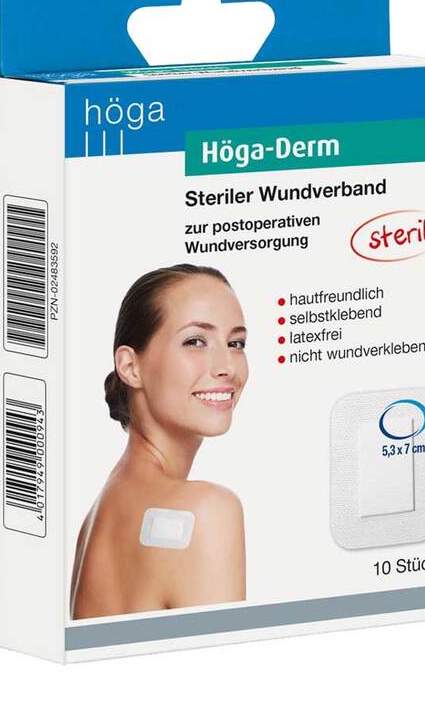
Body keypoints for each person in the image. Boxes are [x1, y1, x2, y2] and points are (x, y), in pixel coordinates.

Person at [71, 264, 249, 619]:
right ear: (130, 367)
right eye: (195, 341)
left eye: (236, 343)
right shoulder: (206, 511)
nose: (227, 366)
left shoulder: (100, 516)